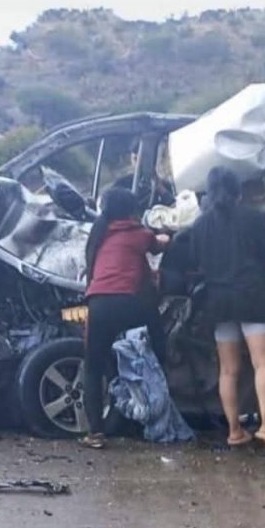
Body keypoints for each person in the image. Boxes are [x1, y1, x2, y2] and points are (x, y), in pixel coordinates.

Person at [190, 166, 265, 453]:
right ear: (238, 192)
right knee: (262, 364)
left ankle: (235, 431)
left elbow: (194, 261)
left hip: (218, 302)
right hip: (251, 297)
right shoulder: (251, 218)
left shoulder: (200, 225)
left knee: (228, 370)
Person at [82, 187, 170, 449]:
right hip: (130, 303)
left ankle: (95, 433)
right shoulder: (139, 234)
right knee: (156, 348)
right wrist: (168, 234)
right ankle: (159, 405)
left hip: (98, 303)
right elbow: (160, 244)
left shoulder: (98, 235)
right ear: (132, 210)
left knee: (93, 367)